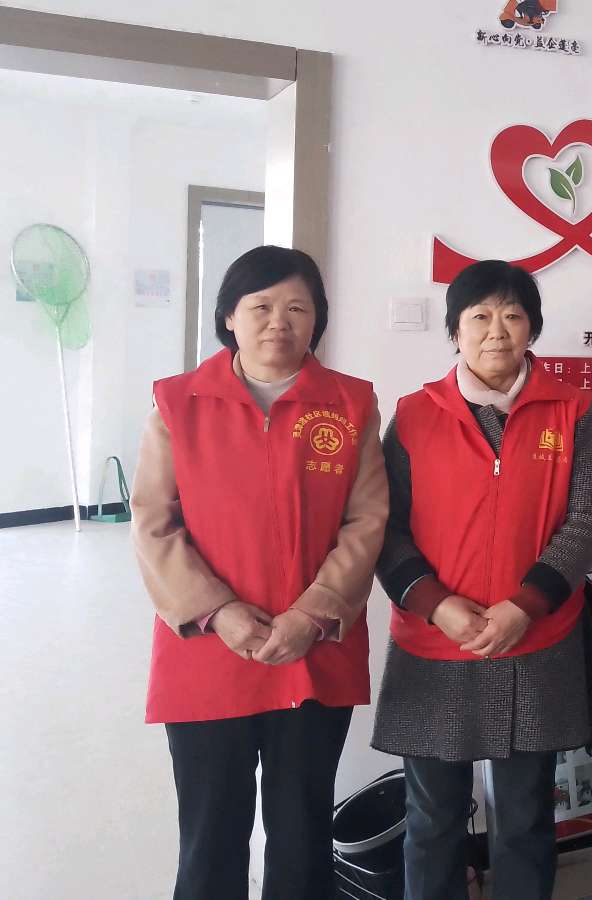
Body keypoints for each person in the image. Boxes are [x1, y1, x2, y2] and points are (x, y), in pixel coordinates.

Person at [131, 245, 388, 900]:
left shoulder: (351, 404)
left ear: (317, 320)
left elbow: (367, 520)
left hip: (312, 651)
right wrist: (217, 611)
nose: (280, 322)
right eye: (262, 306)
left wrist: (314, 612)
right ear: (229, 316)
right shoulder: (178, 403)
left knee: (302, 837)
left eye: (298, 308)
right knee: (211, 837)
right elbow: (154, 522)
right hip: (209, 652)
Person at [372, 260, 592, 900]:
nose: (496, 330)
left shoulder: (572, 409)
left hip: (535, 640)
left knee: (527, 818)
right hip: (435, 644)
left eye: (512, 315)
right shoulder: (415, 414)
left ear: (533, 327)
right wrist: (436, 604)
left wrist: (524, 605)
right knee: (433, 820)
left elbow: (589, 516)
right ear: (455, 330)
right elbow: (384, 525)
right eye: (479, 316)